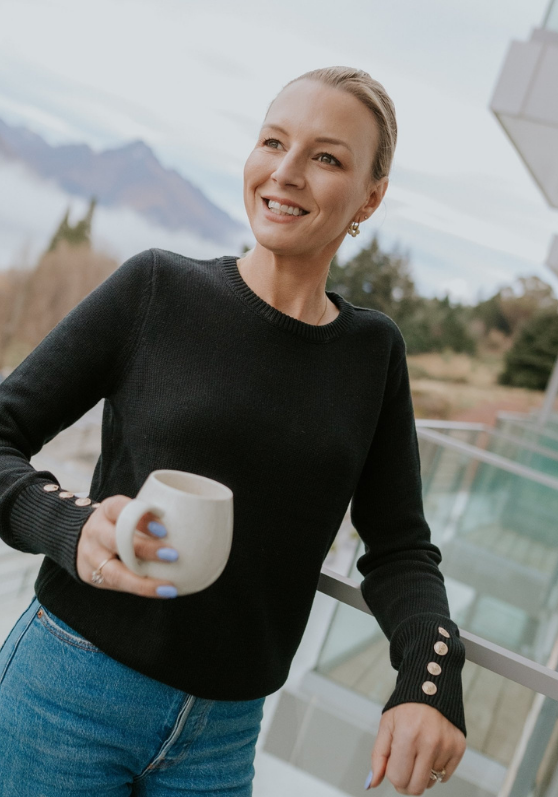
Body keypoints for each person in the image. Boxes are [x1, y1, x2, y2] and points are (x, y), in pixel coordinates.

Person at [0, 66, 466, 796]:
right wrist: (67, 524)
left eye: (326, 156)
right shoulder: (157, 287)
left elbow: (400, 547)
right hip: (68, 692)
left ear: (370, 198)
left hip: (222, 738)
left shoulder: (374, 353)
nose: (285, 172)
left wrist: (430, 675)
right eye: (273, 141)